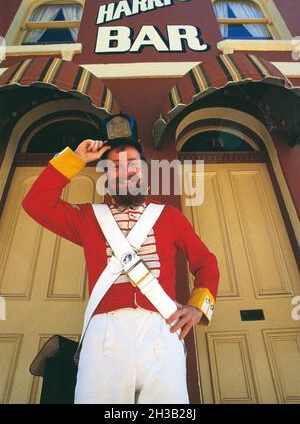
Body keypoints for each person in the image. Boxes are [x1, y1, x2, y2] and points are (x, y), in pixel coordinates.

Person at [22, 114, 220, 404]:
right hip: (104, 337)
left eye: (132, 164)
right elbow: (36, 203)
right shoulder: (87, 218)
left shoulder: (169, 217)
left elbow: (206, 263)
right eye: (114, 166)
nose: (125, 171)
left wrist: (197, 308)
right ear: (105, 175)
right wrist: (75, 158)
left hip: (161, 333)